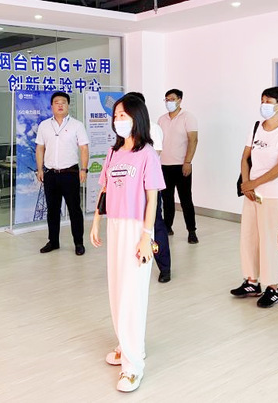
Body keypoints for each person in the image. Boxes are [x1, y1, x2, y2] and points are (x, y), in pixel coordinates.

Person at [90, 94, 165, 392]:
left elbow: (152, 199)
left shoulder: (147, 154)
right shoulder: (113, 152)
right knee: (117, 289)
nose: (118, 120)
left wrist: (147, 236)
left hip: (137, 229)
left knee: (132, 295)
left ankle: (133, 368)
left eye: (124, 115)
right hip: (115, 225)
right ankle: (126, 344)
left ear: (137, 117)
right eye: (116, 115)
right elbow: (105, 190)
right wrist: (96, 221)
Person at [230, 87, 278, 308]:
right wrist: (246, 183)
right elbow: (245, 157)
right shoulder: (256, 127)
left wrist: (253, 183)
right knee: (249, 236)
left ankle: (273, 287)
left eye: (268, 101)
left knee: (270, 240)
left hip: (274, 195)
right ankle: (252, 281)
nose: (264, 104)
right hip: (252, 194)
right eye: (262, 100)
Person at [35, 91, 89, 256]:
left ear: (68, 105)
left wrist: (84, 169)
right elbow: (40, 148)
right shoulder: (44, 125)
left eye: (63, 102)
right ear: (51, 106)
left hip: (70, 173)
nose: (60, 105)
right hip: (50, 174)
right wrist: (40, 169)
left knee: (74, 209)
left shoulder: (77, 125)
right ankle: (53, 241)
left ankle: (78, 243)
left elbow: (84, 148)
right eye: (56, 102)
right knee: (52, 210)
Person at [126, 91, 172, 283]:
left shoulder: (153, 128)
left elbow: (155, 155)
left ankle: (164, 267)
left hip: (148, 187)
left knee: (156, 224)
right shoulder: (125, 131)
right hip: (129, 188)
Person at [157, 88, 199, 244]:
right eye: (167, 99)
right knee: (167, 200)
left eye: (172, 99)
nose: (169, 102)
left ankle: (192, 231)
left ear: (180, 100)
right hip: (164, 165)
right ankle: (167, 227)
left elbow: (193, 140)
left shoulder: (188, 117)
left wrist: (188, 162)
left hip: (182, 165)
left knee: (185, 199)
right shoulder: (161, 119)